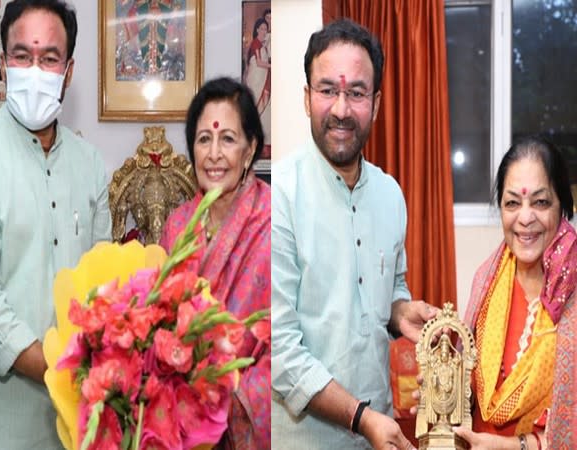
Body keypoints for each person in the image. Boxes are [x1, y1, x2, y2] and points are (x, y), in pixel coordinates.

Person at [271, 18, 437, 450]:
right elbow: (280, 350)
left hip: (377, 433)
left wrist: (401, 312)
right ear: (307, 99)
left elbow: (388, 289)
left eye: (356, 93)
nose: (342, 109)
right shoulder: (277, 197)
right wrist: (360, 417)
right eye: (327, 90)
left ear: (376, 104)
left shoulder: (390, 194)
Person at [0, 1, 111, 449]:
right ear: (2, 65)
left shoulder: (91, 164)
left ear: (68, 72)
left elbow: (105, 288)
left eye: (49, 58)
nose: (35, 69)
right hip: (0, 425)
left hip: (80, 426)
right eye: (22, 55)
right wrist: (65, 372)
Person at [160, 77, 270, 449]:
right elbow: (159, 321)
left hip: (248, 409)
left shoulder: (276, 222)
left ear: (250, 148)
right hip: (181, 416)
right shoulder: (177, 225)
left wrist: (228, 396)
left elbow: (289, 334)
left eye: (228, 139)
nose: (214, 154)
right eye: (204, 138)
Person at [455, 136, 577, 450]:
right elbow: (468, 387)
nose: (524, 218)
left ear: (563, 207)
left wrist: (511, 446)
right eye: (512, 203)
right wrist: (442, 390)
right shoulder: (487, 281)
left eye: (540, 202)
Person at [244, 16, 271, 158]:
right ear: (256, 29)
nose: (263, 30)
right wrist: (273, 65)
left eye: (266, 28)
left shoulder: (263, 44)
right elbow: (259, 63)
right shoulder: (256, 44)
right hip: (257, 81)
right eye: (261, 28)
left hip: (264, 80)